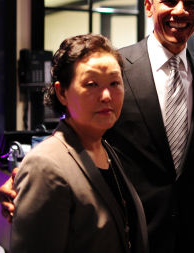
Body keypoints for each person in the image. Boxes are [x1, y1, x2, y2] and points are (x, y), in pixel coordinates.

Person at [0, 0, 194, 253]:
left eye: (190, 3)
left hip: (192, 235)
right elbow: (78, 134)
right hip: (126, 232)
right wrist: (23, 177)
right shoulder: (113, 68)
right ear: (149, 6)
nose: (180, 11)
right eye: (169, 1)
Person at [10, 34, 148, 253]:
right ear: (62, 93)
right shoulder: (45, 165)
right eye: (91, 84)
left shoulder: (105, 148)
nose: (106, 95)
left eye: (114, 83)